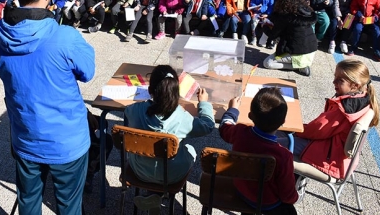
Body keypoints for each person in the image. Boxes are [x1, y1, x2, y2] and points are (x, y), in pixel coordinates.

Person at [0, 0, 95, 215]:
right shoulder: (65, 36)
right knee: (69, 205)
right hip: (66, 140)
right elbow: (88, 72)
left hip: (25, 135)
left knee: (28, 201)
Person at [124, 65, 214, 210]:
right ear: (176, 92)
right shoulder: (182, 118)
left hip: (140, 170)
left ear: (150, 91)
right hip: (172, 175)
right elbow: (208, 125)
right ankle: (158, 196)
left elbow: (128, 111)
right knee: (190, 150)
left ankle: (153, 195)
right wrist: (203, 103)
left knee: (155, 156)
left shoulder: (135, 110)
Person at [281, 59, 380, 180]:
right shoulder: (364, 97)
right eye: (335, 77)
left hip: (329, 157)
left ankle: (287, 187)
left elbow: (316, 130)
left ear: (355, 85)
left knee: (274, 143)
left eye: (340, 80)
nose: (334, 81)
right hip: (340, 157)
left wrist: (294, 128)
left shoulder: (342, 109)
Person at [220, 87, 298, 214]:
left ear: (250, 116)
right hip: (268, 203)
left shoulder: (239, 133)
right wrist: (296, 197)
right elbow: (287, 195)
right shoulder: (284, 156)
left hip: (242, 191)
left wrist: (233, 109)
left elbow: (224, 127)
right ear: (283, 122)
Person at [263, 0, 318, 77]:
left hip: (298, 53)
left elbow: (272, 35)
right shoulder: (306, 11)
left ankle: (298, 67)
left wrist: (264, 26)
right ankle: (301, 64)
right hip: (311, 50)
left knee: (268, 63)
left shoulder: (286, 17)